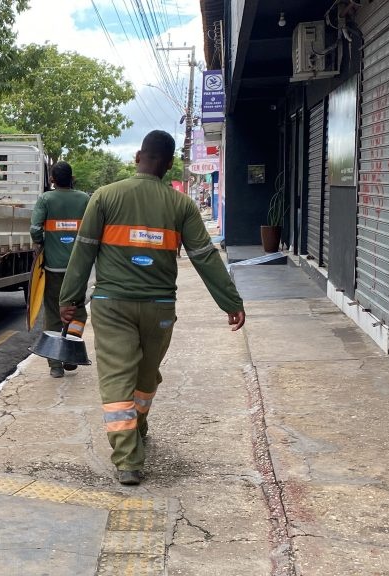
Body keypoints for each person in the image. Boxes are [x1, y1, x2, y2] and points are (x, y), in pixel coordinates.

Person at [58, 131, 246, 486]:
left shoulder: (105, 197)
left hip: (112, 305)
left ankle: (128, 459)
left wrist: (68, 300)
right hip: (160, 308)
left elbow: (82, 252)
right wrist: (230, 303)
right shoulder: (181, 206)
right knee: (145, 377)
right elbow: (205, 257)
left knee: (117, 379)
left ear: (138, 157)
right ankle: (136, 431)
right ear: (167, 163)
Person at [30, 161, 91, 378]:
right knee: (78, 311)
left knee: (54, 313)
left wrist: (41, 242)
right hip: (77, 270)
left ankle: (55, 365)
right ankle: (71, 355)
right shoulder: (84, 199)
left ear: (53, 180)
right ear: (72, 178)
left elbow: (35, 228)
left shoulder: (46, 199)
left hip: (53, 268)